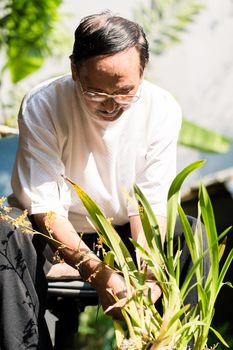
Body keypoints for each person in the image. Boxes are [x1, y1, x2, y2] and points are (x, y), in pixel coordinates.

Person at [0, 11, 208, 349]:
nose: (111, 105)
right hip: (51, 239)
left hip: (124, 234)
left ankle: (172, 341)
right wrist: (98, 274)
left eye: (126, 92)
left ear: (142, 73)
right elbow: (47, 211)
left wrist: (149, 272)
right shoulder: (43, 104)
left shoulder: (161, 108)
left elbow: (148, 204)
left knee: (193, 231)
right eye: (95, 92)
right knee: (4, 231)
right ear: (73, 70)